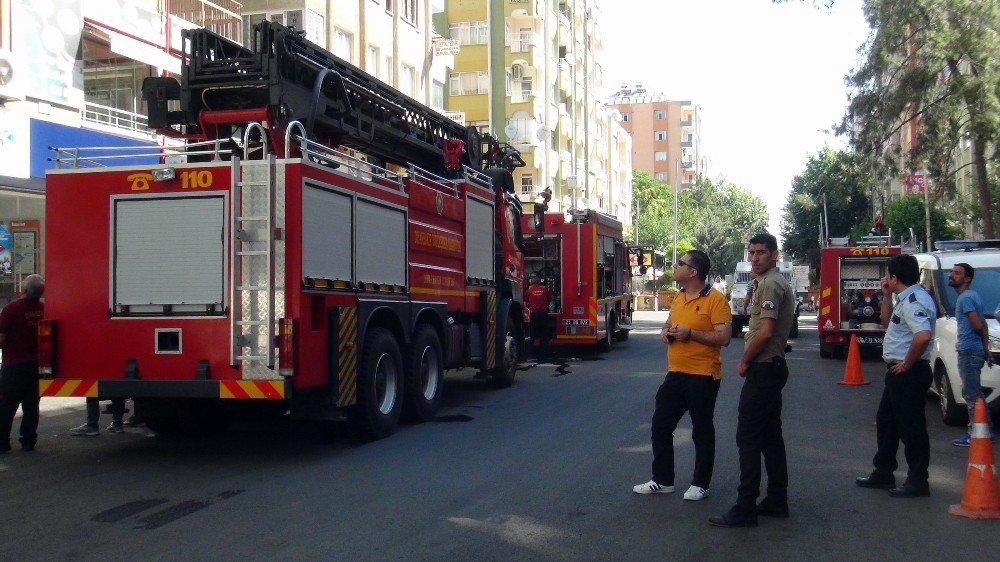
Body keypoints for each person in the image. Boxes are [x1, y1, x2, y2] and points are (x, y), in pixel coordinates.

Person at [633, 250, 732, 501]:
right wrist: (666, 333)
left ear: (693, 272)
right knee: (660, 425)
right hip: (675, 373)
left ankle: (701, 484)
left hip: (703, 375)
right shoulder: (678, 297)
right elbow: (668, 324)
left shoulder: (716, 300)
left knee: (701, 430)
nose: (675, 267)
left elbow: (724, 337)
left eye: (680, 263)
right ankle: (662, 480)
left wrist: (692, 334)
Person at [710, 233, 795, 528]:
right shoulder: (765, 282)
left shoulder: (771, 284)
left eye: (761, 252)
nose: (755, 257)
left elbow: (767, 331)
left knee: (747, 437)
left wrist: (745, 360)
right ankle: (776, 499)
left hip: (764, 367)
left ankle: (745, 506)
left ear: (775, 255)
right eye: (752, 252)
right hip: (772, 366)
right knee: (770, 436)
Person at [855, 254, 936, 497]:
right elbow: (886, 320)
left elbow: (923, 336)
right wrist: (887, 295)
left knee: (911, 428)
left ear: (894, 277)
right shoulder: (905, 298)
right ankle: (883, 472)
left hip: (908, 373)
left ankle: (918, 480)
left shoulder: (913, 301)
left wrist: (907, 365)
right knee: (887, 423)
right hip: (898, 373)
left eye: (888, 275)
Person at [946, 263, 993, 446]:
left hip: (968, 350)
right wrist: (986, 348)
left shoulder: (965, 298)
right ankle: (985, 428)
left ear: (967, 279)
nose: (952, 275)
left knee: (971, 394)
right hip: (975, 350)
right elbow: (984, 325)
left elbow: (977, 324)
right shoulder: (973, 296)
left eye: (957, 273)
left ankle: (975, 433)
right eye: (952, 272)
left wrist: (982, 347)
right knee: (976, 392)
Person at [0, 274, 45, 453]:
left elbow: (1, 337)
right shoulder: (44, 309)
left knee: (6, 405)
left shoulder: (12, 309)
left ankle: (2, 442)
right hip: (37, 364)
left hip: (14, 365)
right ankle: (28, 441)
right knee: (31, 405)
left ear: (23, 290)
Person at [526, 276, 552, 361]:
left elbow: (525, 300)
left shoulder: (529, 291)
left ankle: (531, 355)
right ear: (539, 283)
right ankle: (543, 356)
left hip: (534, 315)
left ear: (531, 283)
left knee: (533, 335)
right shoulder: (544, 290)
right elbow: (550, 297)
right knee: (544, 335)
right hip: (543, 314)